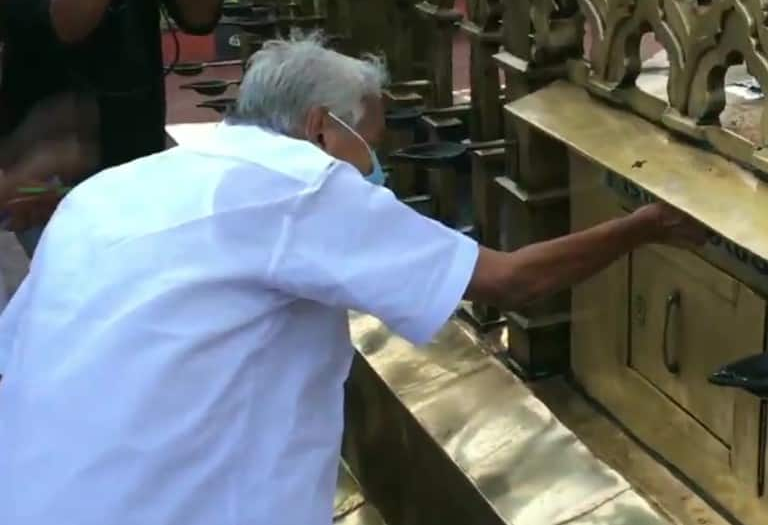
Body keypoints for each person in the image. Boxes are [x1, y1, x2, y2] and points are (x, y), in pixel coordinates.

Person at [0, 37, 708, 525]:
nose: (379, 166)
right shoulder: (299, 182)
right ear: (319, 127)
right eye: (375, 139)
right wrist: (643, 225)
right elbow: (511, 282)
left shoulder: (115, 189)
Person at [0, 0, 221, 254]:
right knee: (80, 282)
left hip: (138, 152)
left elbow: (201, 17)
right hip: (49, 171)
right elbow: (63, 24)